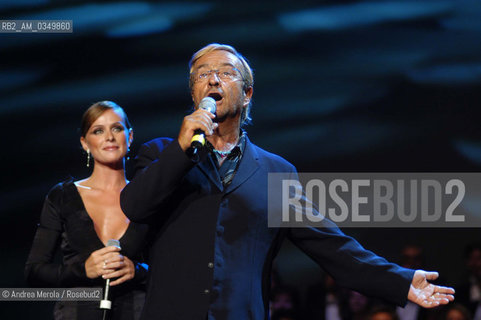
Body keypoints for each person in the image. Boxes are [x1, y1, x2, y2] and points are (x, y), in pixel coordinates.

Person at [119, 43, 454, 320]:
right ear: (193, 94)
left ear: (247, 94)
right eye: (202, 75)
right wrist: (181, 149)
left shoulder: (276, 172)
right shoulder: (161, 154)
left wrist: (400, 281)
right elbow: (135, 204)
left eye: (225, 72)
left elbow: (330, 246)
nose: (212, 80)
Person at [25, 101, 149, 319]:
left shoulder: (150, 195)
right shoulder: (62, 196)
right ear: (85, 143)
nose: (109, 137)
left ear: (130, 137)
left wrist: (139, 270)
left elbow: (175, 267)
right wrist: (83, 270)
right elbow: (35, 272)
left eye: (117, 128)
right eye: (98, 131)